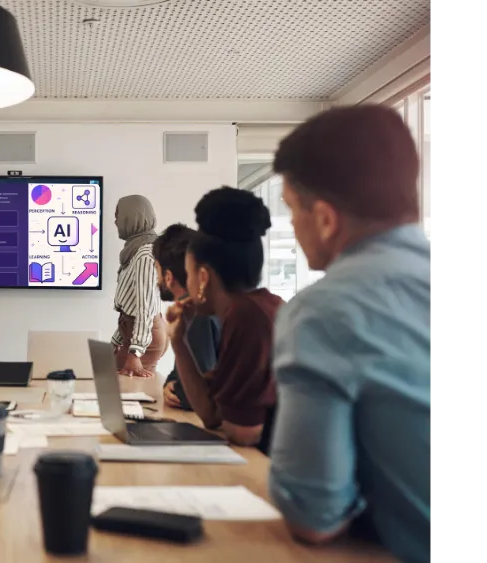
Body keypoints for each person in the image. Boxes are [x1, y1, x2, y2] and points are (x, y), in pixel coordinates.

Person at [267, 105, 430, 561]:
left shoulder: (326, 310)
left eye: (292, 210)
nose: (294, 227)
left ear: (324, 218)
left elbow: (312, 516)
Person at [164, 187, 284, 453]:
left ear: (203, 278)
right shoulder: (258, 307)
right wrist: (178, 339)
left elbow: (242, 433)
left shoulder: (247, 317)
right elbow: (210, 414)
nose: (189, 281)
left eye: (189, 272)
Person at [150, 223, 221, 411]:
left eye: (157, 270)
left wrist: (179, 392)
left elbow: (201, 393)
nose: (156, 279)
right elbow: (181, 374)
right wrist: (170, 385)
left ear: (168, 277)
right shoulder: (196, 310)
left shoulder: (198, 314)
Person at [109, 195, 167, 378]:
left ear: (131, 217)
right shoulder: (137, 249)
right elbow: (130, 305)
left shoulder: (144, 254)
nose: (116, 221)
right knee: (130, 390)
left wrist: (135, 353)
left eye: (118, 215)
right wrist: (116, 340)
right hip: (139, 333)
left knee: (120, 389)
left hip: (144, 338)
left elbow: (145, 308)